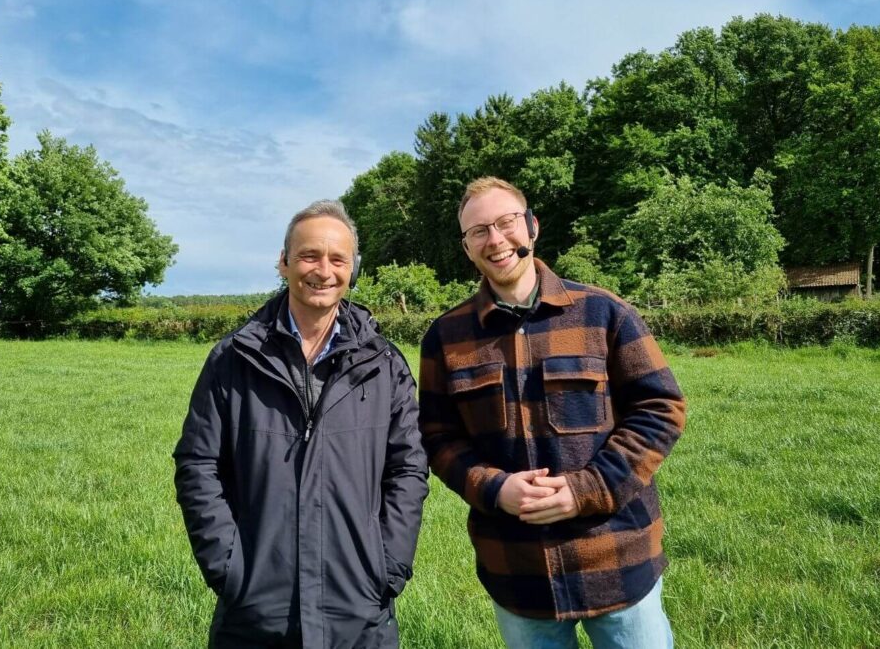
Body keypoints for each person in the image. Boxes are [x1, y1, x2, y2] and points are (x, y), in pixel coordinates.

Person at [418, 177, 686, 649]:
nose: (496, 240)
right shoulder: (446, 337)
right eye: (479, 231)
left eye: (506, 223)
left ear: (532, 227)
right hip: (516, 570)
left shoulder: (604, 312)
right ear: (467, 248)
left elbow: (659, 408)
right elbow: (438, 438)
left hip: (618, 560)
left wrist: (589, 489)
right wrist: (495, 488)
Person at [174, 200, 428, 649]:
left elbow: (408, 468)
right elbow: (197, 464)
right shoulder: (234, 358)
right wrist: (229, 566)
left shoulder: (384, 365)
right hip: (255, 609)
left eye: (338, 259)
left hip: (359, 606)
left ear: (353, 269)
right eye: (310, 255)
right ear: (284, 262)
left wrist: (386, 566)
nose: (323, 271)